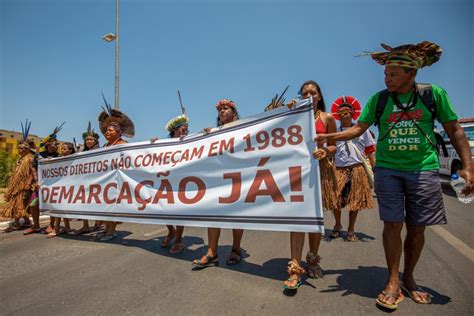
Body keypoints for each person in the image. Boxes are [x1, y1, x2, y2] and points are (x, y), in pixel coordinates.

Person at [317, 41, 473, 310]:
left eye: (393, 74)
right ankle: (392, 281)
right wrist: (327, 136)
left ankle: (409, 278)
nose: (387, 78)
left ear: (411, 74)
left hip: (423, 169)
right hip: (388, 170)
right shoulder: (379, 100)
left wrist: (468, 166)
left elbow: (454, 130)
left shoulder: (433, 95)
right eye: (385, 74)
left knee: (417, 227)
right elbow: (358, 130)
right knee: (392, 225)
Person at [284, 80, 340, 289]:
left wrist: (325, 151)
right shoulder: (293, 116)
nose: (309, 96)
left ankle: (313, 257)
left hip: (320, 170)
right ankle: (295, 266)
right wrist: (285, 113)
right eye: (305, 93)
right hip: (297, 172)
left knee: (315, 218)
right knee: (298, 218)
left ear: (319, 95)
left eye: (313, 92)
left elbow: (334, 144)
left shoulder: (327, 118)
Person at [192, 99, 244, 269]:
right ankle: (211, 252)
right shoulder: (214, 132)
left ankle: (236, 249)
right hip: (218, 179)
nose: (222, 111)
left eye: (226, 108)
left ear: (234, 112)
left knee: (237, 216)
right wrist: (206, 135)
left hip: (237, 176)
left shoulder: (244, 128)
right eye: (220, 109)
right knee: (213, 214)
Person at [330, 96, 376, 241]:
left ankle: (351, 229)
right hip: (338, 169)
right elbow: (329, 150)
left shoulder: (363, 130)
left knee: (355, 201)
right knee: (335, 200)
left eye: (346, 111)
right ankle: (337, 225)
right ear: (337, 115)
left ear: (352, 113)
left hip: (357, 169)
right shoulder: (334, 132)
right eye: (340, 111)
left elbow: (370, 150)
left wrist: (375, 169)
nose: (343, 113)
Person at [97, 100, 135, 241]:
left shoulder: (123, 145)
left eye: (111, 130)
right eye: (106, 130)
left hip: (116, 181)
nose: (108, 132)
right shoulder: (105, 145)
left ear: (118, 132)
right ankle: (106, 228)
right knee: (104, 207)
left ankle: (112, 231)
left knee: (112, 207)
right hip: (104, 180)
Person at [23, 123, 63, 235]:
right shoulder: (39, 155)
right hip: (40, 185)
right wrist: (36, 181)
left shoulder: (59, 156)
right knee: (33, 204)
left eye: (56, 144)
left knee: (53, 206)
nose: (56, 146)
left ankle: (51, 225)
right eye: (54, 144)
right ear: (47, 145)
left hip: (55, 185)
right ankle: (36, 226)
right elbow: (33, 168)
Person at [159, 114, 190, 254]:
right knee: (163, 210)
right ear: (175, 130)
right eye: (183, 129)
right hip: (166, 180)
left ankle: (178, 240)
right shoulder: (164, 144)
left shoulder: (189, 141)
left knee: (179, 211)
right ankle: (171, 231)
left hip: (181, 180)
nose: (186, 131)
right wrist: (153, 144)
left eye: (187, 129)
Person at [2, 121, 35, 232]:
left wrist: (28, 183)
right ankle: (27, 221)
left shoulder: (30, 158)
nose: (21, 150)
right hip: (15, 185)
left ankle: (16, 222)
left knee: (19, 203)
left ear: (28, 149)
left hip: (24, 185)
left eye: (24, 148)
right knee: (20, 202)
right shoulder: (19, 159)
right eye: (20, 148)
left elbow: (32, 172)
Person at [72, 122, 102, 235]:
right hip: (84, 182)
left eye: (91, 140)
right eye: (87, 140)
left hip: (98, 182)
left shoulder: (101, 152)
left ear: (96, 141)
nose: (89, 141)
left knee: (97, 204)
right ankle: (85, 226)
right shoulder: (82, 153)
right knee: (83, 203)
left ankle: (98, 223)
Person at [47, 142, 75, 238]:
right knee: (59, 207)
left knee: (61, 207)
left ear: (70, 150)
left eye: (65, 149)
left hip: (70, 186)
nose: (62, 151)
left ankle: (57, 229)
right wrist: (52, 161)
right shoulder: (59, 158)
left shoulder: (75, 159)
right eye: (61, 149)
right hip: (60, 185)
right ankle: (65, 227)